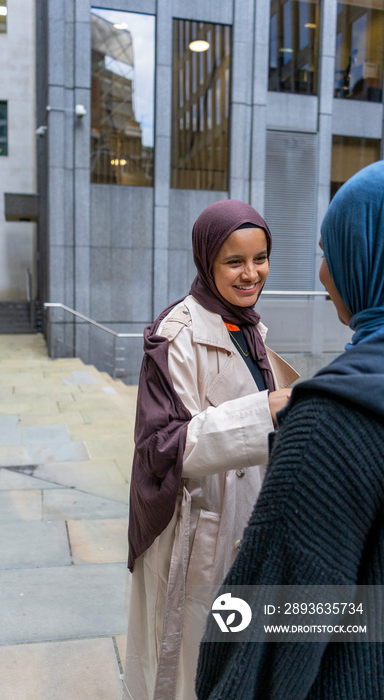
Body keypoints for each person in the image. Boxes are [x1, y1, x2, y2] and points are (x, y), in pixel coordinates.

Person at [196, 161, 384, 699]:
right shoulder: (174, 336)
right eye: (233, 261)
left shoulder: (336, 422)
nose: (323, 275)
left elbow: (268, 624)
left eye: (330, 252)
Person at [122, 199, 299, 700]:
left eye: (260, 258)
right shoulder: (176, 334)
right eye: (234, 262)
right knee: (186, 671)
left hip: (245, 523)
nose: (251, 274)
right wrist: (267, 409)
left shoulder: (247, 326)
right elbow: (165, 447)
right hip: (195, 530)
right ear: (206, 261)